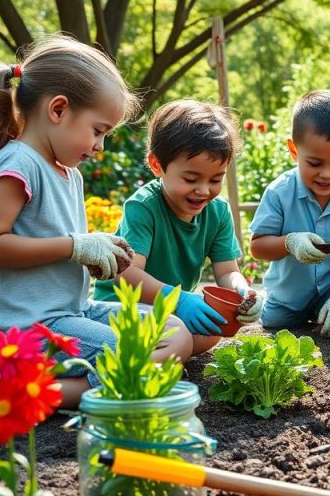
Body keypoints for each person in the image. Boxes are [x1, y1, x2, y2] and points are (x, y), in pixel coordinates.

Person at [0, 35, 193, 416]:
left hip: (71, 313)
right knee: (133, 362)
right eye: (98, 130)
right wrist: (74, 247)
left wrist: (93, 255)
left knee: (174, 333)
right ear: (58, 109)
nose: (100, 146)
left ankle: (43, 389)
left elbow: (60, 243)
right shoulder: (18, 164)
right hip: (26, 328)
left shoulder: (68, 173)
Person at [93, 100, 263, 353]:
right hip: (124, 307)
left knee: (212, 332)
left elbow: (227, 270)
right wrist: (180, 300)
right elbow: (126, 275)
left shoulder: (218, 212)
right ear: (157, 165)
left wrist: (243, 291)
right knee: (181, 335)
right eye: (190, 179)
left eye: (216, 179)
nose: (204, 190)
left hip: (166, 308)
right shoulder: (144, 207)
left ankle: (165, 352)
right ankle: (147, 360)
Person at [249, 90, 330, 336]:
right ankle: (271, 301)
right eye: (315, 163)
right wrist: (290, 242)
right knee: (274, 322)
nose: (327, 174)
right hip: (288, 296)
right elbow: (257, 247)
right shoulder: (279, 192)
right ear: (294, 150)